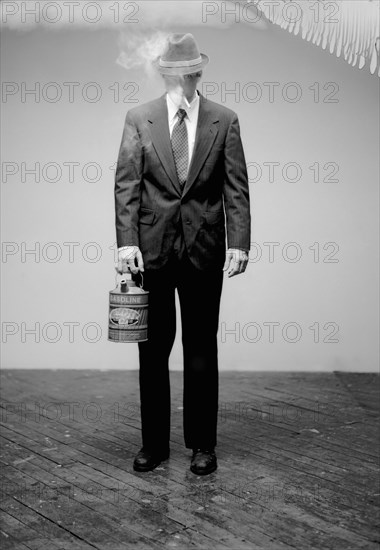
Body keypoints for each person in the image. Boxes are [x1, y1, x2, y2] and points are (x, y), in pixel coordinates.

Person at [114, 33, 251, 476]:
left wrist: (239, 243)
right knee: (152, 352)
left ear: (197, 73)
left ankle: (202, 446)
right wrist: (126, 241)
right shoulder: (140, 118)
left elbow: (236, 186)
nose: (179, 79)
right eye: (171, 73)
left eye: (186, 73)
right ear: (164, 73)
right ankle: (153, 445)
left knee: (200, 349)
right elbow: (127, 185)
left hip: (205, 249)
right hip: (151, 252)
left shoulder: (224, 120)